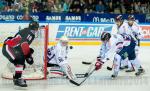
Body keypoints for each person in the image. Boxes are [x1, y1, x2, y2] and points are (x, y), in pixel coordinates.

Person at [2, 21, 39, 87]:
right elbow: (24, 44)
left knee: (22, 65)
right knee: (21, 59)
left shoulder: (25, 30)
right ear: (36, 28)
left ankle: (16, 77)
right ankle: (17, 79)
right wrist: (28, 56)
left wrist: (28, 54)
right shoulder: (31, 33)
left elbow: (21, 45)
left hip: (11, 48)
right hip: (9, 48)